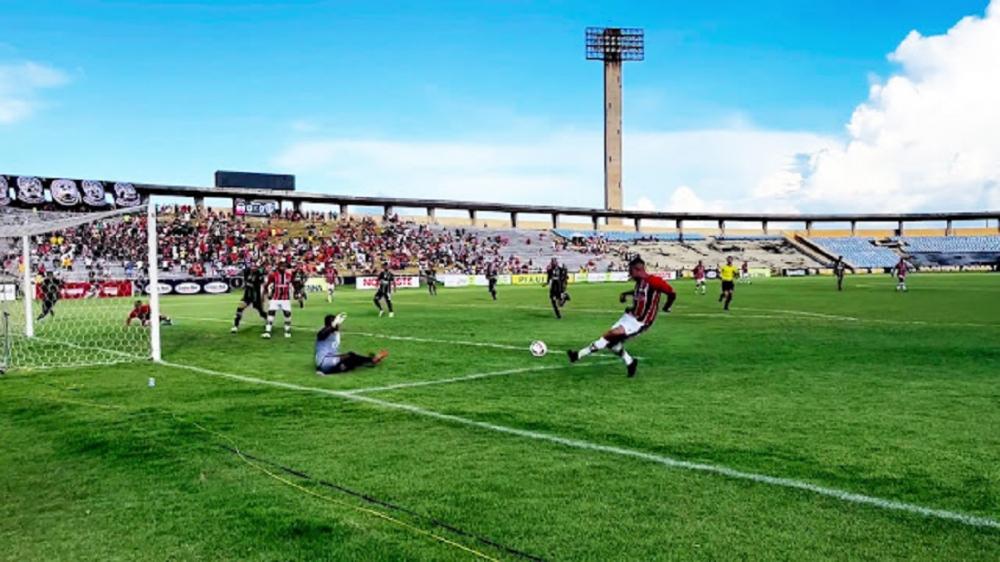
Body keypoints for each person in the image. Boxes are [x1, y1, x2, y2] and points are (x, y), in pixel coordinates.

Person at [567, 255, 676, 377]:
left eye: (630, 270)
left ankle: (577, 355)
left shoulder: (654, 281)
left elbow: (672, 293)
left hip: (640, 322)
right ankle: (630, 362)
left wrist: (667, 306)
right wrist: (625, 294)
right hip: (629, 316)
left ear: (637, 269)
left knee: (611, 334)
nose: (629, 273)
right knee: (612, 343)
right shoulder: (640, 282)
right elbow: (638, 293)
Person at [315, 313, 389, 375]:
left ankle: (370, 361)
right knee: (351, 357)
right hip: (325, 361)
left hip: (330, 360)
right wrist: (334, 324)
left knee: (351, 358)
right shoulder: (325, 332)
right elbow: (322, 334)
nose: (339, 325)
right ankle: (372, 360)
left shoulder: (335, 333)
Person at [262, 262, 295, 338]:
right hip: (275, 298)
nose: (283, 268)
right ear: (278, 267)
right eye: (281, 266)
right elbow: (267, 285)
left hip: (285, 299)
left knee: (287, 314)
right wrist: (265, 294)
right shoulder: (273, 275)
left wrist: (295, 292)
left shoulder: (289, 275)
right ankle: (267, 332)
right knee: (271, 313)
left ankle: (287, 331)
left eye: (284, 266)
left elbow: (292, 284)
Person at [232, 261, 267, 333]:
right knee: (239, 309)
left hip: (256, 297)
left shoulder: (259, 274)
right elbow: (241, 272)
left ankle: (268, 320)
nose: (253, 268)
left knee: (260, 311)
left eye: (255, 267)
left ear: (257, 268)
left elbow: (263, 285)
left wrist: (262, 296)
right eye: (252, 266)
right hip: (247, 296)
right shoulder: (247, 271)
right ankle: (235, 326)